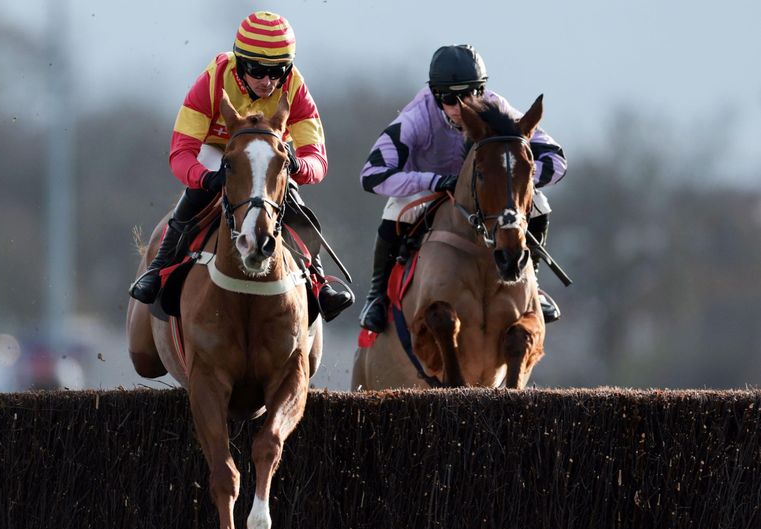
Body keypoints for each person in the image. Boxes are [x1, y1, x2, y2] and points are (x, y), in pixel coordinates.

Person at [130, 11, 353, 321]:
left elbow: (318, 158)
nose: (268, 82)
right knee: (194, 196)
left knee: (294, 201)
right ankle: (158, 270)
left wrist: (297, 166)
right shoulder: (213, 79)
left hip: (268, 155)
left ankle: (318, 282)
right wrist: (205, 178)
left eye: (277, 72)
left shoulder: (295, 87)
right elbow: (181, 153)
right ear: (239, 63)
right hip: (218, 150)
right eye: (258, 71)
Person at [358, 44, 567, 332]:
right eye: (450, 99)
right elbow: (372, 174)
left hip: (486, 193)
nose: (462, 108)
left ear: (482, 90)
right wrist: (432, 181)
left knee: (539, 203)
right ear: (435, 95)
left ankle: (533, 285)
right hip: (433, 189)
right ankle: (377, 295)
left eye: (471, 94)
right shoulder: (415, 118)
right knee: (396, 209)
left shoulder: (498, 107)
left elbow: (556, 158)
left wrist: (515, 181)